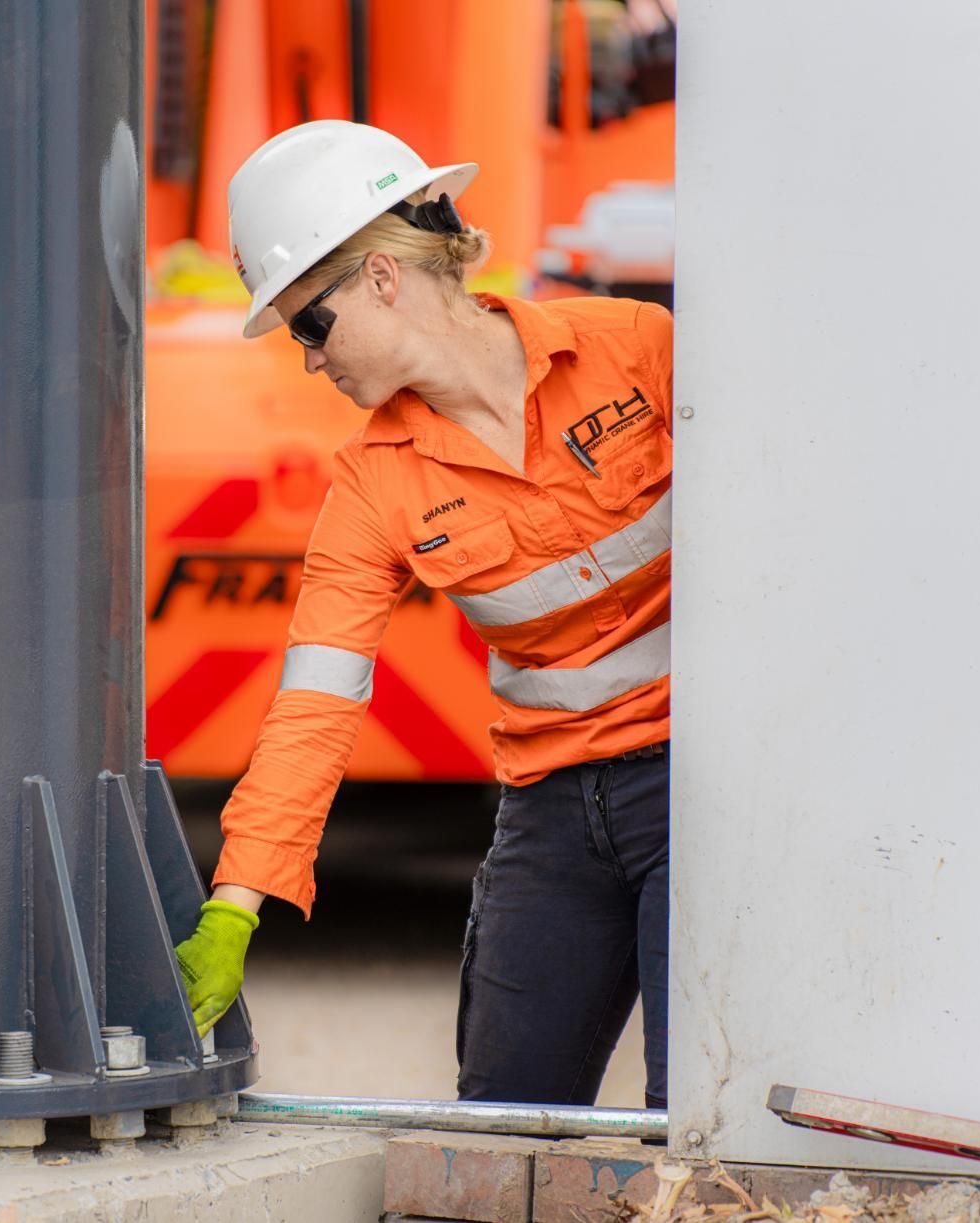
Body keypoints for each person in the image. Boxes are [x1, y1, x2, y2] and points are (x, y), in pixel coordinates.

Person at [173, 121, 673, 1109]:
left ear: (380, 278)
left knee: (696, 1117)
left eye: (308, 326)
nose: (310, 362)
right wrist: (235, 906)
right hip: (553, 812)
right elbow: (314, 706)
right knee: (498, 1125)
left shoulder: (634, 352)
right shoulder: (374, 486)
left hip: (706, 789)